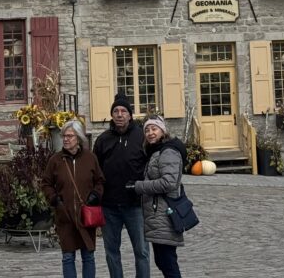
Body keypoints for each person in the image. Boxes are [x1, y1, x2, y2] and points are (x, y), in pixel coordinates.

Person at [94, 92, 150, 278]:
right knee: (112, 252)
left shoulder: (142, 137)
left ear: (130, 115)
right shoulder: (103, 140)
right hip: (109, 206)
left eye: (123, 111)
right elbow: (96, 171)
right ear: (112, 115)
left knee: (141, 251)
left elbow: (153, 164)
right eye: (116, 111)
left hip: (135, 205)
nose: (119, 114)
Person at [42, 119, 106, 278]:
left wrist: (96, 195)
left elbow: (100, 181)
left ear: (78, 138)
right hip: (65, 216)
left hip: (86, 216)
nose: (65, 139)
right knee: (68, 257)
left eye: (70, 136)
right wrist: (55, 200)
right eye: (64, 135)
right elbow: (46, 183)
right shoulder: (55, 160)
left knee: (88, 256)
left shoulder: (90, 158)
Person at [129, 116, 186, 278]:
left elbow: (169, 182)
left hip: (165, 214)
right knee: (163, 261)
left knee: (168, 263)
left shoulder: (168, 151)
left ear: (163, 131)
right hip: (157, 215)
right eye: (147, 130)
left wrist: (139, 186)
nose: (150, 133)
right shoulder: (155, 151)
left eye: (154, 129)